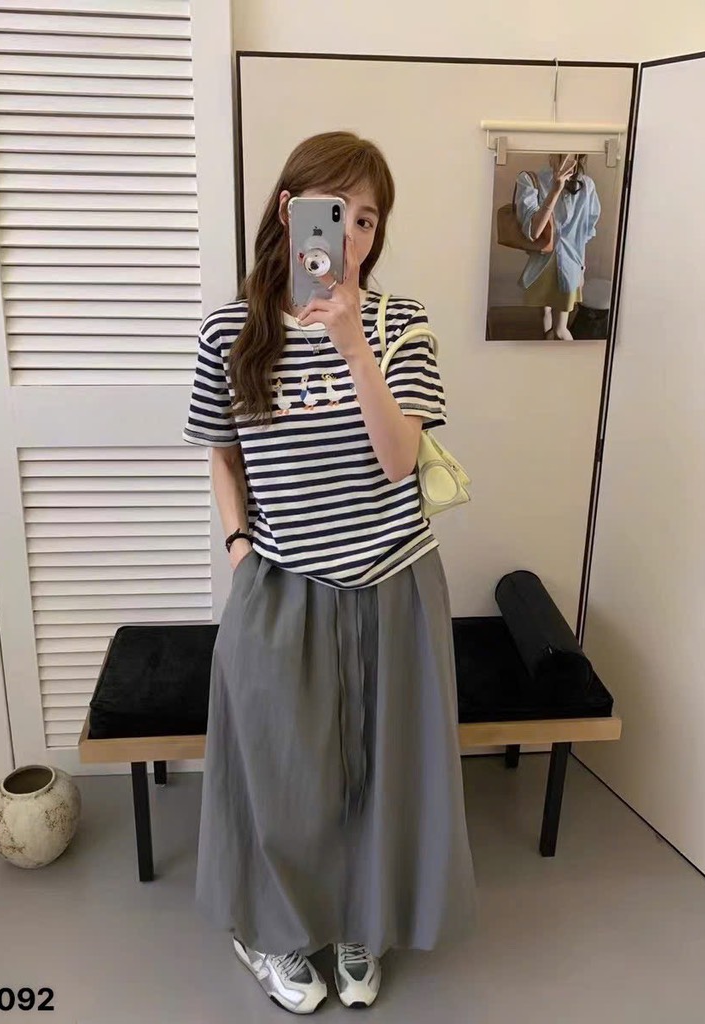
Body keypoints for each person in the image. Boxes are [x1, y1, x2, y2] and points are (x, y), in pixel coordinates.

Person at [182, 131, 476, 1015]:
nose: (351, 235)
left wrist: (353, 346)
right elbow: (223, 454)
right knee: (280, 774)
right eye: (337, 212)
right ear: (292, 210)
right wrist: (240, 549)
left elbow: (399, 462)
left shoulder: (399, 323)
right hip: (280, 584)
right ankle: (269, 929)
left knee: (383, 774)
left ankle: (361, 920)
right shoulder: (231, 330)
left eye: (369, 220)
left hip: (394, 581)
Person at [515, 153, 601, 340]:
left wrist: (581, 270)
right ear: (551, 153)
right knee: (544, 315)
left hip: (569, 267)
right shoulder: (530, 180)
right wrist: (555, 190)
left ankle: (570, 358)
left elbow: (583, 235)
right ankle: (546, 348)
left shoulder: (586, 185)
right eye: (561, 153)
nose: (565, 159)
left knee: (561, 330)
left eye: (571, 154)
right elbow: (534, 232)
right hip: (541, 266)